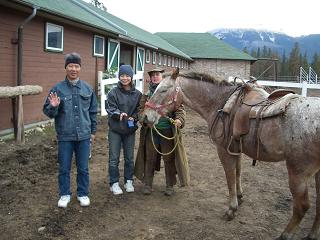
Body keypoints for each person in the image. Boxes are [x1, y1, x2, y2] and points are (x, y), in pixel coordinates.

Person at [43, 52, 98, 208]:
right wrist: (53, 107)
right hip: (65, 135)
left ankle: (83, 193)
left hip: (84, 136)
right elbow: (47, 112)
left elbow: (93, 111)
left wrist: (93, 132)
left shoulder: (88, 88)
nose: (73, 69)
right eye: (70, 66)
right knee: (64, 167)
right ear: (66, 68)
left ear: (80, 68)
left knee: (83, 168)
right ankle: (65, 194)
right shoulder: (57, 89)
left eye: (76, 66)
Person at [134, 68, 189, 196]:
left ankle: (170, 185)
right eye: (152, 75)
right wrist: (144, 121)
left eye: (157, 75)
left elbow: (179, 109)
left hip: (167, 132)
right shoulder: (147, 95)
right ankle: (148, 184)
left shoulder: (170, 93)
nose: (154, 77)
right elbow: (141, 111)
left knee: (169, 159)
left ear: (162, 77)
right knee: (150, 158)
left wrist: (179, 120)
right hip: (151, 132)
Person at [106, 65, 142, 195]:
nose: (124, 78)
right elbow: (110, 108)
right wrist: (118, 114)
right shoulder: (113, 92)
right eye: (122, 75)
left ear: (131, 77)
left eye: (127, 76)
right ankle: (114, 183)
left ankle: (128, 181)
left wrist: (135, 117)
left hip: (129, 131)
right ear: (119, 77)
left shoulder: (138, 94)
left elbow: (140, 110)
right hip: (115, 129)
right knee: (114, 158)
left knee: (129, 158)